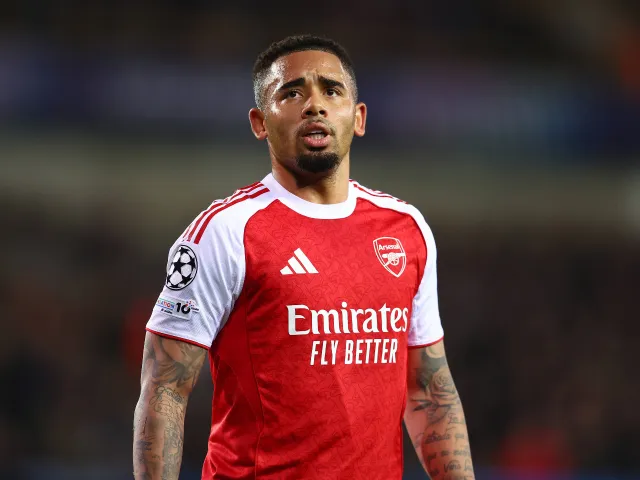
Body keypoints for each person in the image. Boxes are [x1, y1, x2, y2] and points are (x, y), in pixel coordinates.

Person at [133, 34, 475, 480]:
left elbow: (429, 391)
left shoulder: (406, 229)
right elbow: (165, 388)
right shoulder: (225, 231)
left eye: (331, 91)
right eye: (292, 94)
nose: (315, 105)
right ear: (260, 123)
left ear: (358, 117)